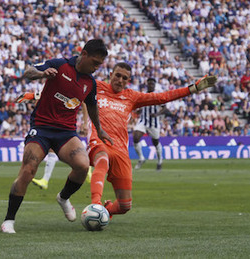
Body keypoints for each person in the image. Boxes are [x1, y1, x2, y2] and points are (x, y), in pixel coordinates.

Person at [0, 39, 112, 234]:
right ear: (83, 54)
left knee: (83, 166)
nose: (96, 67)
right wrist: (42, 73)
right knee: (28, 170)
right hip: (42, 128)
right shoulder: (59, 65)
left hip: (66, 132)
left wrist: (99, 129)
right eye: (94, 62)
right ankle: (9, 220)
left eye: (99, 65)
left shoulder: (90, 83)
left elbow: (92, 107)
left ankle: (63, 197)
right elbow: (28, 72)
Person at [87, 62, 217, 218]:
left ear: (128, 81)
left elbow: (162, 97)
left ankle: (105, 211)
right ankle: (95, 205)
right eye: (117, 75)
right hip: (99, 140)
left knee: (124, 206)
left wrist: (192, 88)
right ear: (111, 75)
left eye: (125, 78)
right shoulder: (95, 86)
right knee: (102, 159)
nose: (120, 80)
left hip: (120, 149)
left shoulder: (131, 97)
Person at [133, 78, 165, 171]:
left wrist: (157, 114)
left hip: (154, 123)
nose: (151, 85)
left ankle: (159, 161)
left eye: (152, 84)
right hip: (143, 121)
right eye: (149, 84)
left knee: (156, 143)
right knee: (136, 138)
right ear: (147, 85)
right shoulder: (143, 95)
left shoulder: (158, 96)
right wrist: (139, 110)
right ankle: (141, 158)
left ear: (155, 85)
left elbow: (165, 108)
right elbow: (141, 106)